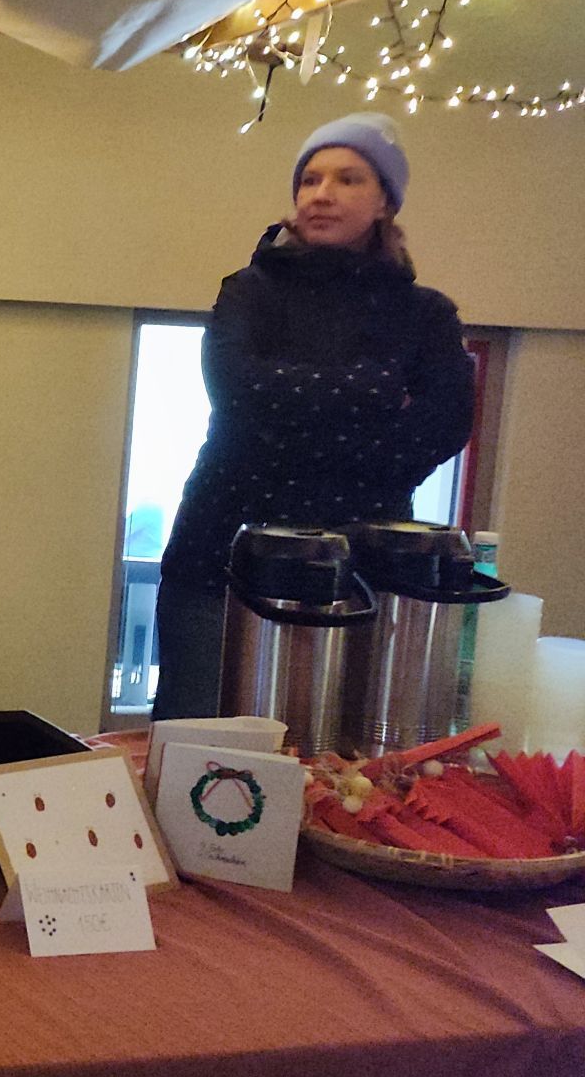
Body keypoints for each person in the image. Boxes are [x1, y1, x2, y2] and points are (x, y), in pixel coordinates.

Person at [153, 113, 474, 719]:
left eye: (348, 179)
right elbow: (239, 394)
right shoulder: (247, 291)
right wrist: (377, 392)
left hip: (359, 564)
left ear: (385, 202)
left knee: (336, 748)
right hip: (218, 551)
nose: (321, 194)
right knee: (194, 739)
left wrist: (295, 419)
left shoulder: (425, 313)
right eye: (310, 179)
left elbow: (445, 424)